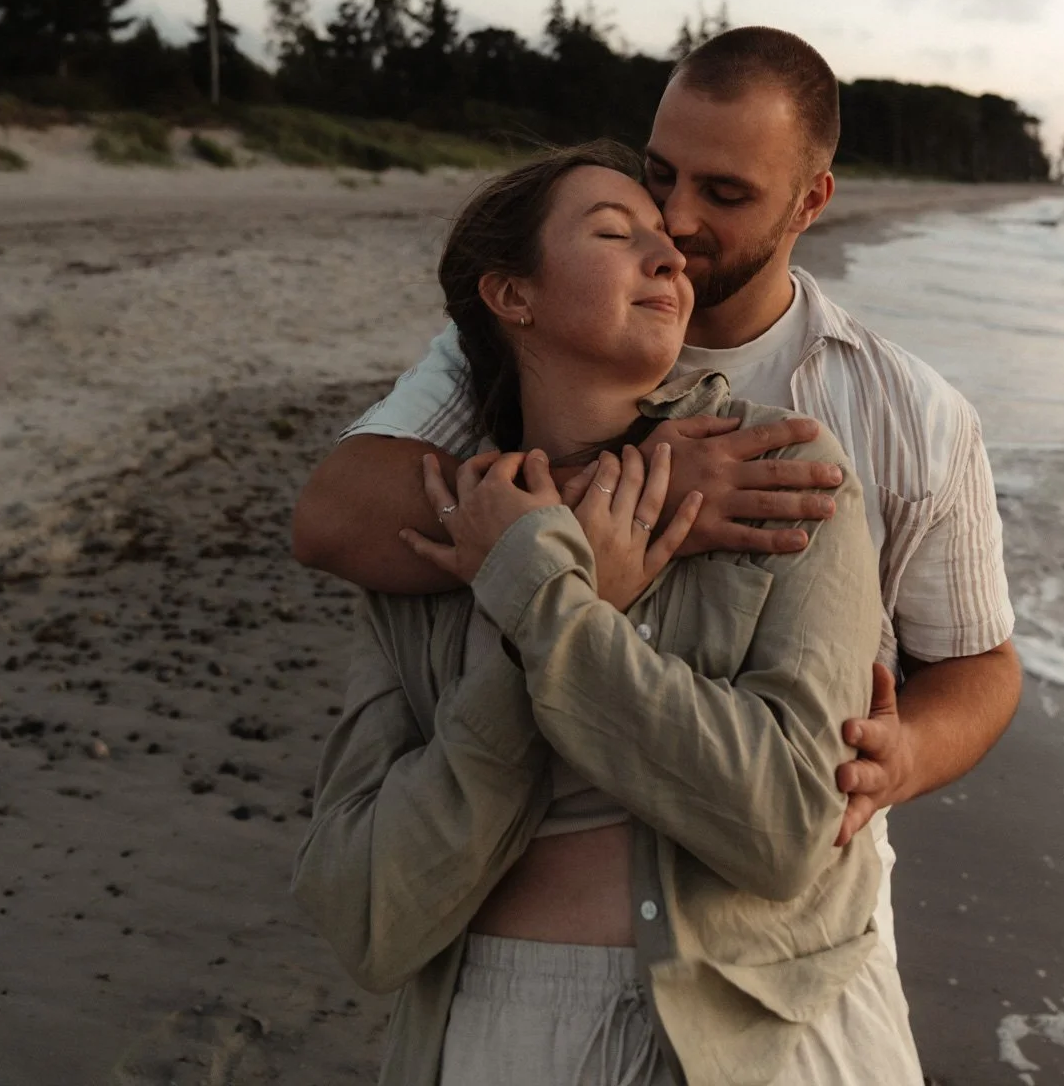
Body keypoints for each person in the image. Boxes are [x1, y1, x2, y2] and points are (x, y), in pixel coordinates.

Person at [293, 26, 1021, 990]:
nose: (674, 220)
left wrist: (911, 752)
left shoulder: (910, 414)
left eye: (723, 194)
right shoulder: (530, 348)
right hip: (512, 910)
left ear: (812, 200)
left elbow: (977, 657)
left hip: (790, 945)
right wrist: (638, 478)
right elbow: (334, 518)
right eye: (660, 172)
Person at [293, 144, 914, 1085]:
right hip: (492, 1036)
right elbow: (367, 918)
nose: (670, 260)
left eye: (666, 242)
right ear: (513, 296)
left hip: (755, 1031)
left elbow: (789, 824)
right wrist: (541, 582)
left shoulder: (774, 468)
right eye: (616, 235)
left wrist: (545, 604)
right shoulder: (430, 540)